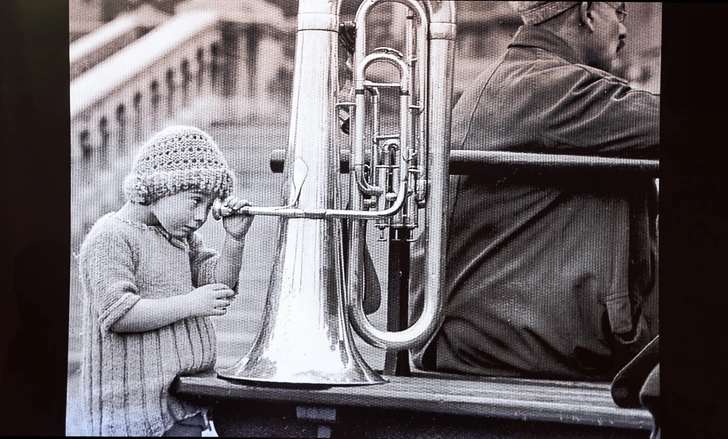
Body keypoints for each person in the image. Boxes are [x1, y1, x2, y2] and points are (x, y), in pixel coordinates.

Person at [411, 1, 659, 382]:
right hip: (516, 350)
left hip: (480, 342)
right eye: (620, 13)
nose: (624, 31)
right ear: (589, 12)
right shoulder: (552, 87)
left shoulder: (517, 79)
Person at [77, 125, 254, 436]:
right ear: (159, 188)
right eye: (195, 200)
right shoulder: (110, 237)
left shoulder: (180, 237)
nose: (202, 215)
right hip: (133, 413)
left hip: (184, 401)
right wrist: (190, 303)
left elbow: (219, 287)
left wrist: (235, 241)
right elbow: (119, 314)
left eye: (209, 203)